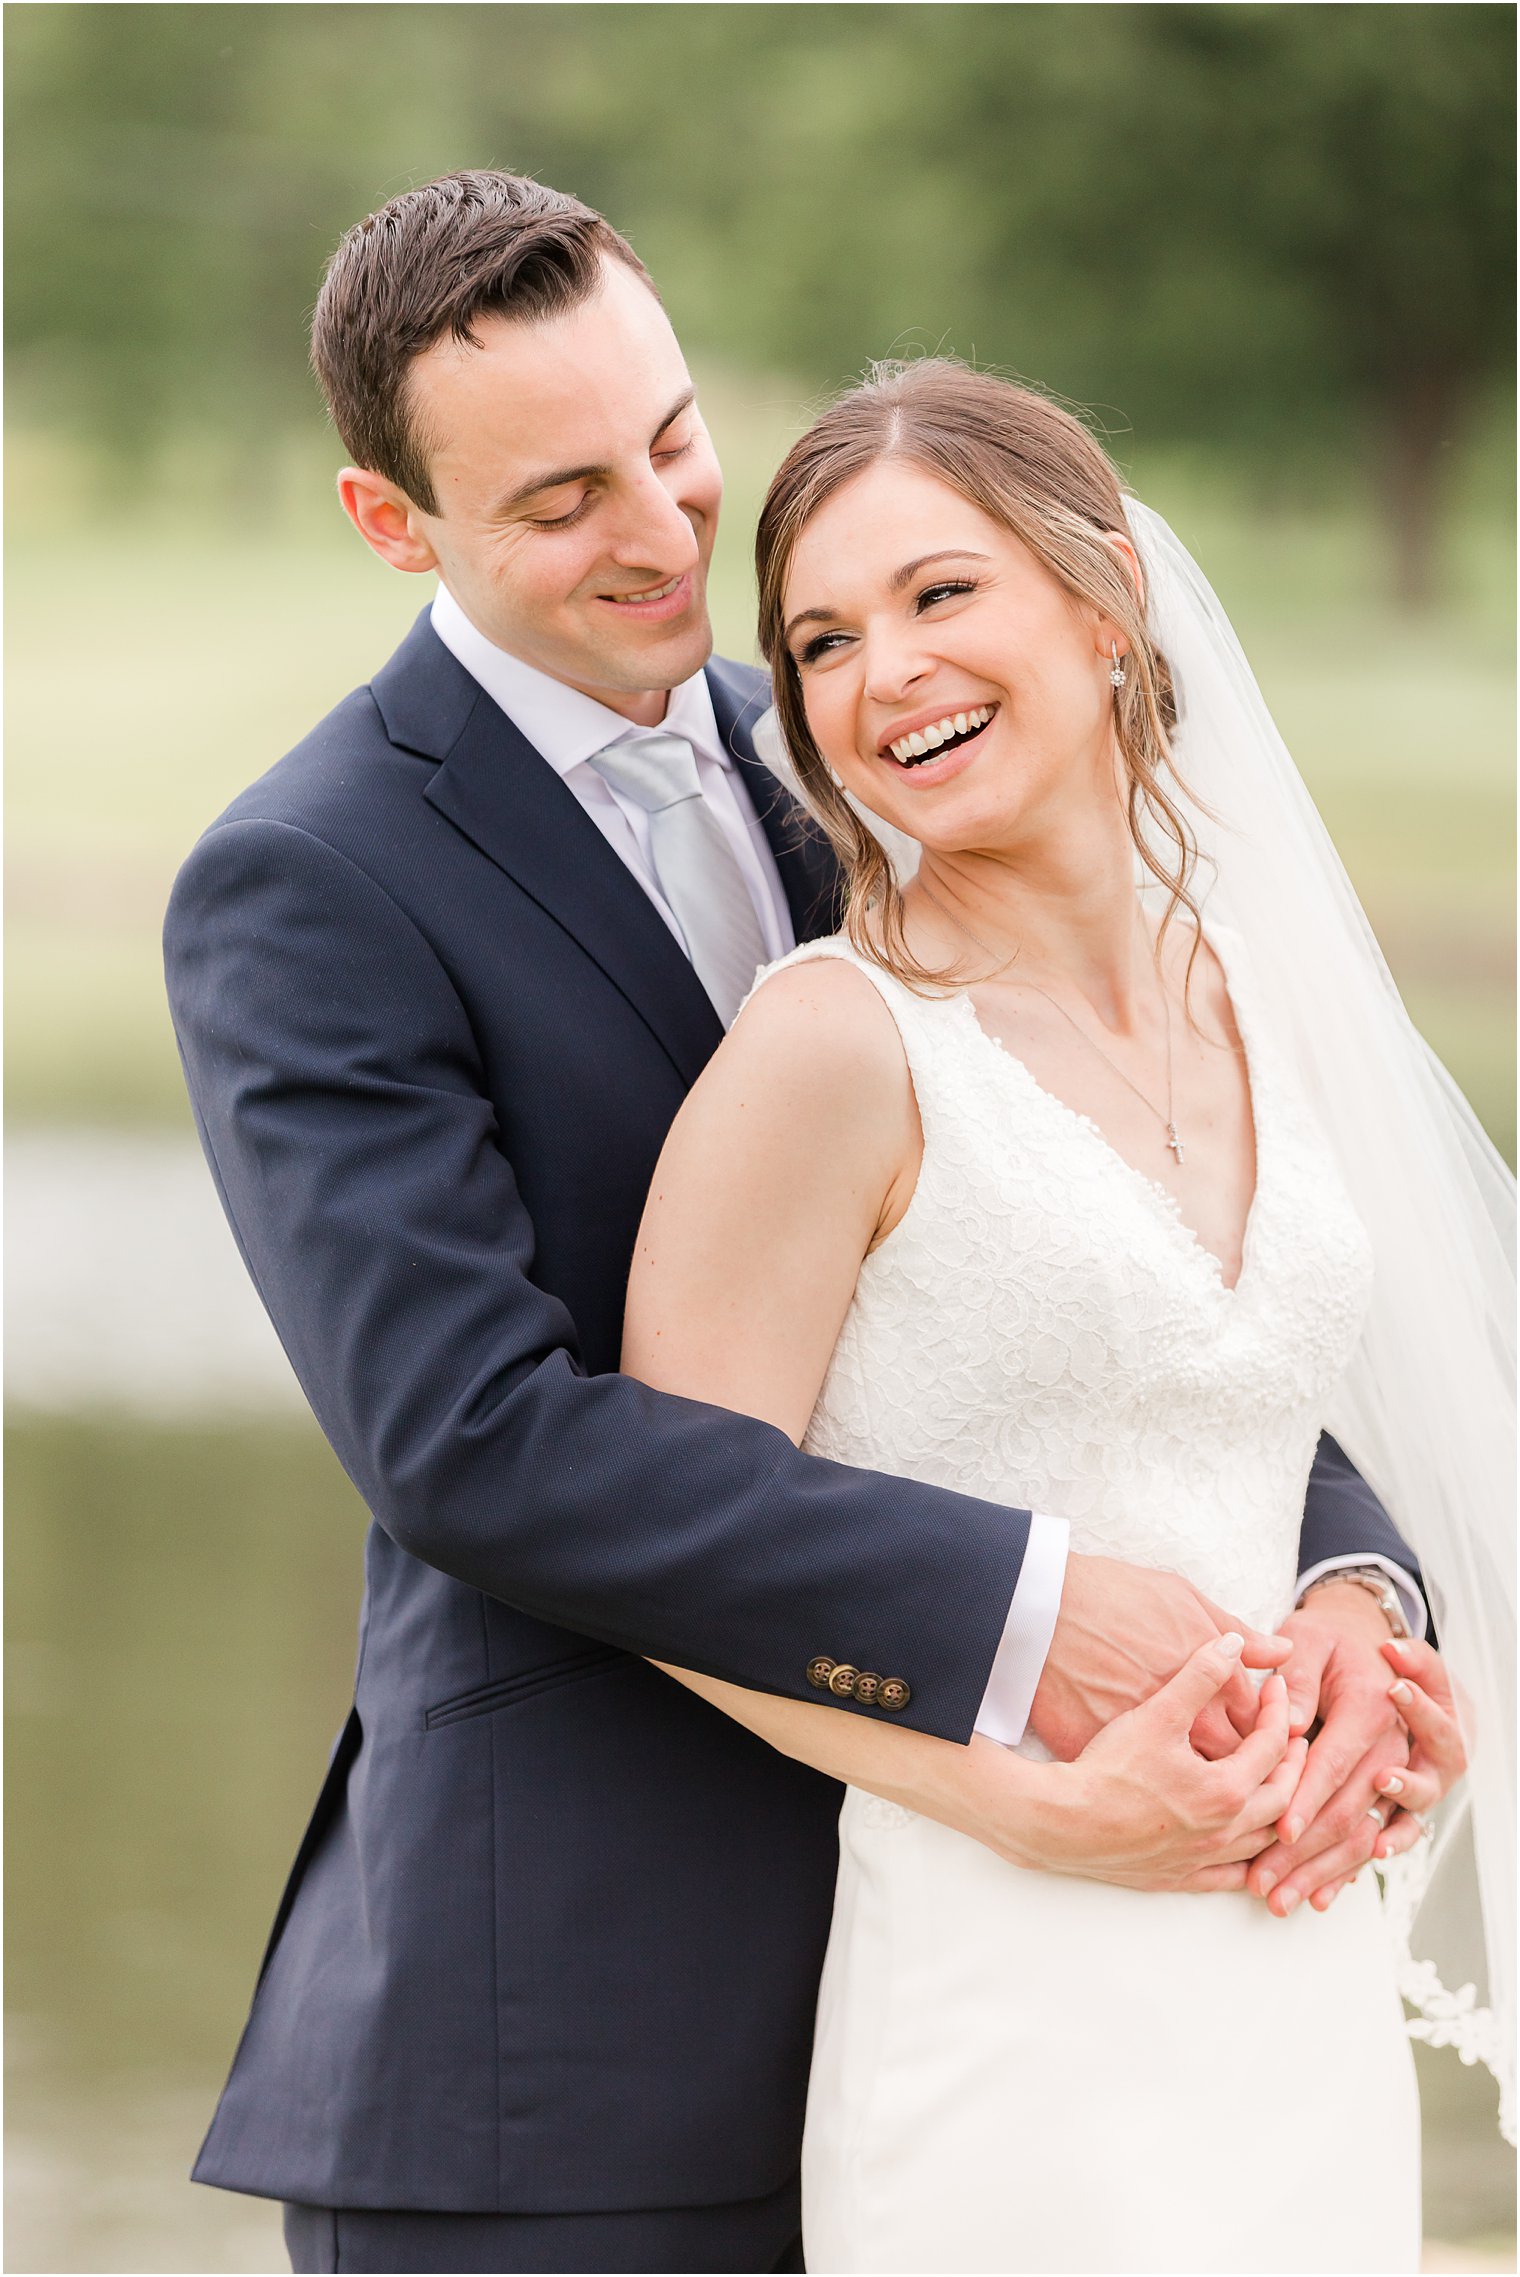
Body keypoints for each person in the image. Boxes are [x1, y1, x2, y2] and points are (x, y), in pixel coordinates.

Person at [165, 175, 1436, 2277]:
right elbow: (472, 1437)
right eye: (562, 496)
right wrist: (1028, 1606)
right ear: (398, 527)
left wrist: (1350, 1586)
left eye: (671, 439)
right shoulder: (312, 877)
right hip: (582, 2031)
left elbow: (1102, 1290)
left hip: (1050, 1954)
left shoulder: (853, 753)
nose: (665, 533)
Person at [620, 359, 1512, 2272]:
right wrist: (1029, 1810)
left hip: (1289, 1962)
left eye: (945, 595)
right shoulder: (833, 1047)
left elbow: (1295, 1431)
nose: (887, 676)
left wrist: (1371, 1634)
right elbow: (667, 1562)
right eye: (826, 638)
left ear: (1105, 604)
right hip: (1000, 1984)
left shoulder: (1267, 985)